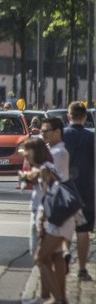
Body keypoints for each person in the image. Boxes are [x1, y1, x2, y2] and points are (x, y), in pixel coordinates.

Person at [21, 137, 75, 304]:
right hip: (61, 219)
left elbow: (47, 198)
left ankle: (56, 298)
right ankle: (52, 297)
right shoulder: (47, 167)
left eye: (27, 150)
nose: (24, 154)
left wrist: (42, 223)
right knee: (55, 257)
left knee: (41, 257)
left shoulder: (45, 169)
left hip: (51, 219)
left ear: (35, 152)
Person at [63, 101, 94, 281]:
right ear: (85, 117)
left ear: (69, 117)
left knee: (65, 228)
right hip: (86, 190)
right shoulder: (91, 138)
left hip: (66, 190)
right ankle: (82, 269)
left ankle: (65, 263)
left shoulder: (62, 136)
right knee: (83, 230)